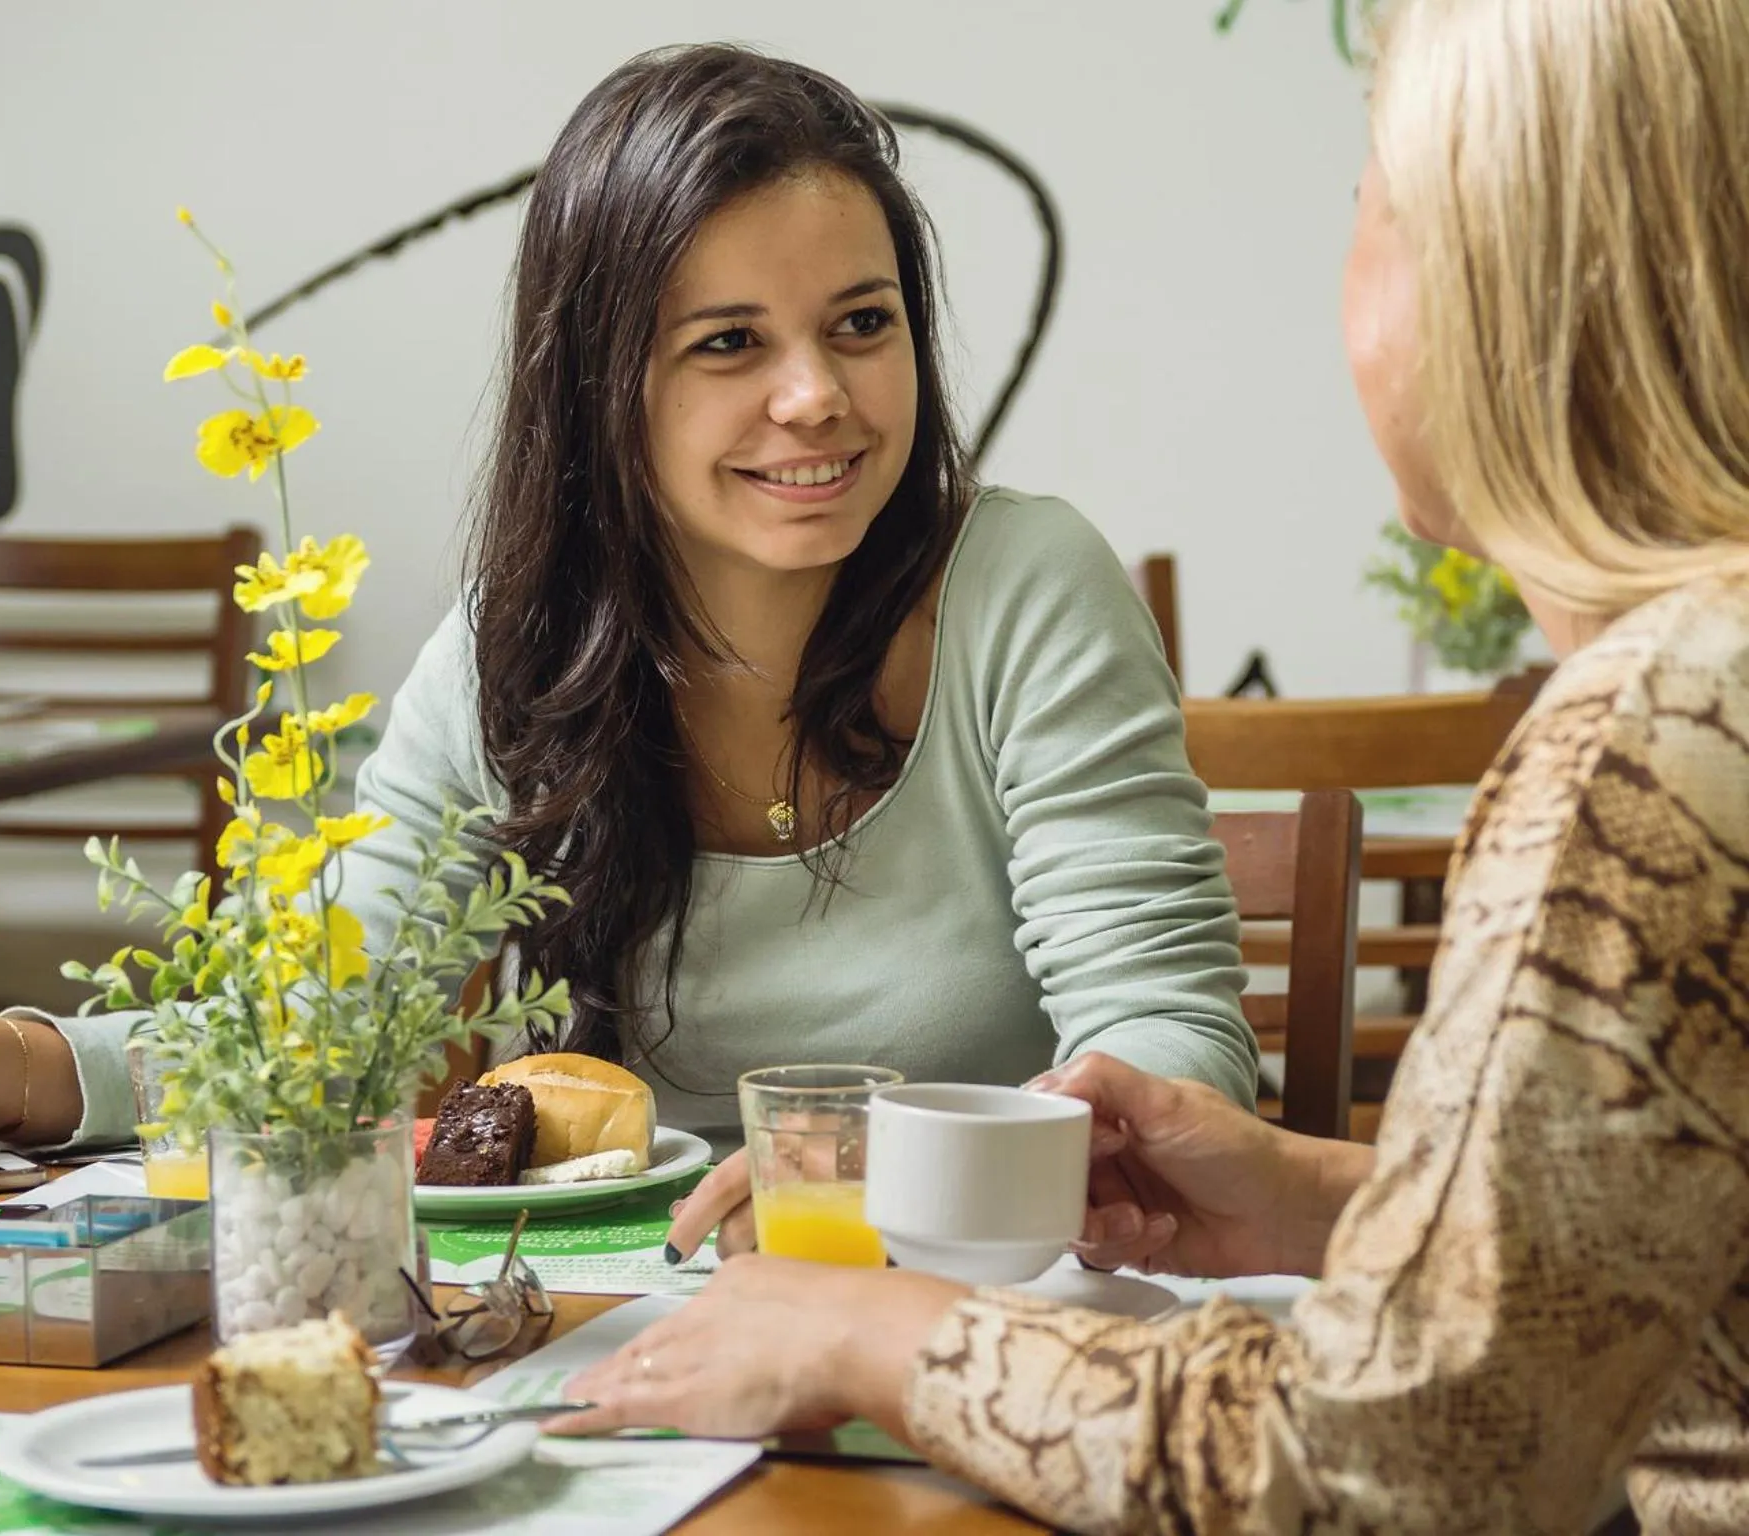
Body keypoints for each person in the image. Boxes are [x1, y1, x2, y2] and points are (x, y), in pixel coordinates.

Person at [549, 1, 1749, 1531]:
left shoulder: (1652, 749)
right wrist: (1316, 1198)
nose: (815, 396)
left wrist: (865, 1331)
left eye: (1372, 203)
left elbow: (1403, 1470)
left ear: (1514, 279)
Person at [0, 46, 1253, 1223]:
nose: (820, 397)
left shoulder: (1027, 586)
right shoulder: (519, 654)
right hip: (639, 1327)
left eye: (863, 321)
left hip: (978, 1308)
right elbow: (326, 1039)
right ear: (600, 383)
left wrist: (873, 1201)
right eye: (731, 344)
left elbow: (1167, 1045)